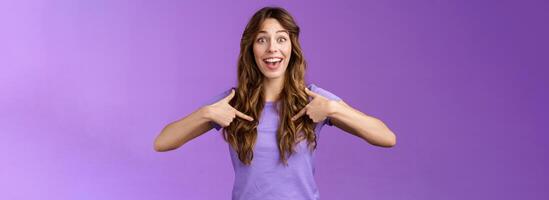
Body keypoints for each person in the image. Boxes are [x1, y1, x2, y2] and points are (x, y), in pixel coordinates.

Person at [154, 6, 396, 200]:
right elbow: (162, 142)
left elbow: (386, 137)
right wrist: (206, 113)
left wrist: (335, 109)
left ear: (292, 47)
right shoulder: (232, 103)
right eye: (262, 40)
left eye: (281, 39)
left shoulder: (312, 99)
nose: (272, 48)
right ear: (251, 49)